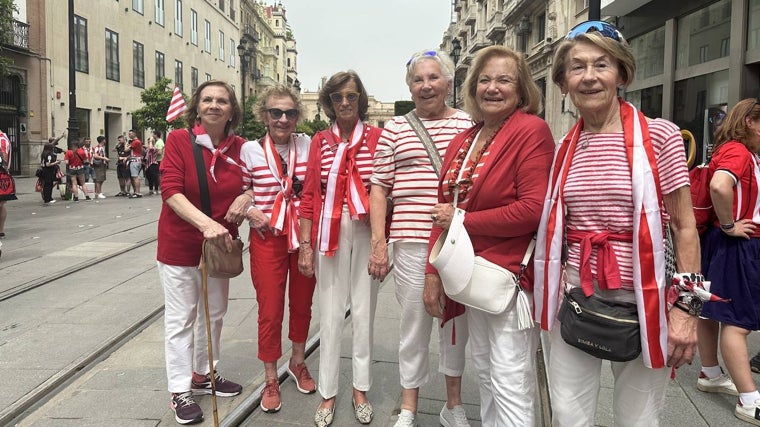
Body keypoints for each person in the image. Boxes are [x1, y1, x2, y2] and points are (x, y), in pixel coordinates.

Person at [533, 21, 701, 426]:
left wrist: (687, 309)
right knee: (568, 417)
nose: (589, 77)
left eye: (601, 65)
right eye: (577, 67)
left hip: (645, 303)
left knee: (639, 420)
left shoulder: (659, 137)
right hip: (574, 300)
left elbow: (684, 226)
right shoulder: (563, 149)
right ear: (563, 83)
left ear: (622, 74)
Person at [424, 45, 554, 426]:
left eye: (503, 80)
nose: (492, 88)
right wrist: (433, 274)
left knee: (511, 376)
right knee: (485, 370)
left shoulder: (531, 130)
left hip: (508, 276)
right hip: (469, 273)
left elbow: (532, 210)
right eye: (484, 80)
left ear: (521, 88)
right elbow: (441, 208)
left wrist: (462, 220)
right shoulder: (465, 138)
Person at [368, 49, 473, 427]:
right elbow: (378, 186)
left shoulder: (469, 124)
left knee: (455, 324)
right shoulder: (394, 128)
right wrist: (379, 243)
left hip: (457, 243)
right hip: (410, 241)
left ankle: (453, 405)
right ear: (409, 87)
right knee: (413, 325)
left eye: (433, 78)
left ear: (448, 82)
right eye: (418, 79)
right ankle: (409, 407)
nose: (426, 85)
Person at [156, 79, 247, 425]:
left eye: (221, 101)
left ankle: (204, 373)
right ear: (197, 107)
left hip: (220, 248)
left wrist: (247, 197)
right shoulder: (180, 140)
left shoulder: (240, 147)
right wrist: (205, 224)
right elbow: (171, 191)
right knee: (181, 318)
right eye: (207, 100)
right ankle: (180, 389)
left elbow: (255, 182)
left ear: (231, 110)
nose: (213, 105)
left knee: (216, 313)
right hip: (180, 244)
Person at [297, 71, 383, 427]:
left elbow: (384, 189)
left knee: (364, 312)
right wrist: (304, 244)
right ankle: (328, 391)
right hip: (327, 233)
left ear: (360, 99)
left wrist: (381, 242)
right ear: (328, 103)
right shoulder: (319, 141)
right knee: (330, 314)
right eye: (337, 97)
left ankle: (360, 387)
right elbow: (308, 195)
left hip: (366, 231)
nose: (345, 102)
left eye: (351, 96)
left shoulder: (379, 137)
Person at [227, 84, 318, 415]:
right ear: (264, 115)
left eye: (290, 113)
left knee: (303, 303)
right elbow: (240, 189)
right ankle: (270, 377)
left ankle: (297, 361)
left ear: (298, 116)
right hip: (268, 238)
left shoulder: (308, 145)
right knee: (269, 310)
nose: (283, 119)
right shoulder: (249, 150)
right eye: (275, 112)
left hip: (303, 237)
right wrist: (250, 208)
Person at [698, 97, 760, 425]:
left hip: (717, 242)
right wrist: (729, 225)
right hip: (738, 244)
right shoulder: (740, 151)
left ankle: (709, 372)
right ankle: (750, 400)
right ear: (750, 121)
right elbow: (720, 186)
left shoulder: (727, 148)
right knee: (738, 322)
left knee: (710, 311)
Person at [0, 129, 14, 238]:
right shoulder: (4, 138)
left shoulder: (1, 139)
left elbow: (3, 155)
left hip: (1, 175)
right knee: (2, 204)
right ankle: (1, 230)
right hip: (3, 175)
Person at [127, 129, 143, 198]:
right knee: (135, 177)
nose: (129, 135)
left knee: (135, 177)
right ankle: (137, 191)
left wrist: (126, 144)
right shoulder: (137, 141)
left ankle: (137, 192)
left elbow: (126, 149)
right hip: (137, 160)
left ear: (134, 134)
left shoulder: (135, 142)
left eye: (130, 134)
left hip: (135, 161)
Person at [153, 129, 165, 194]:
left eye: (153, 134)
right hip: (157, 160)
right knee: (157, 175)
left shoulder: (159, 142)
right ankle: (158, 188)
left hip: (159, 160)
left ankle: (161, 188)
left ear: (156, 135)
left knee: (159, 175)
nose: (152, 135)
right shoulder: (157, 142)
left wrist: (153, 154)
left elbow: (160, 152)